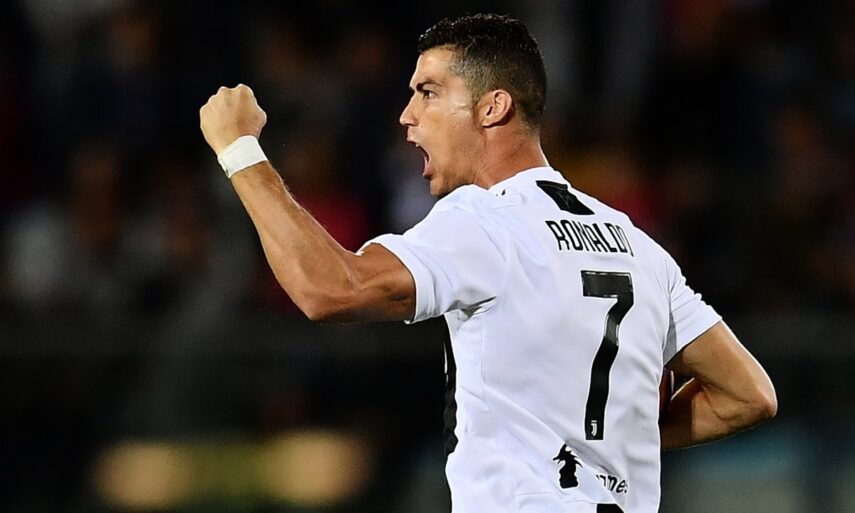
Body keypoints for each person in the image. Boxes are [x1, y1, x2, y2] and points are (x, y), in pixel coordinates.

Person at [199, 13, 777, 513]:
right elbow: (748, 394)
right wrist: (609, 437)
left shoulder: (484, 220)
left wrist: (239, 150)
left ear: (493, 107)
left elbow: (329, 288)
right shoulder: (637, 245)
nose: (406, 115)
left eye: (428, 92)